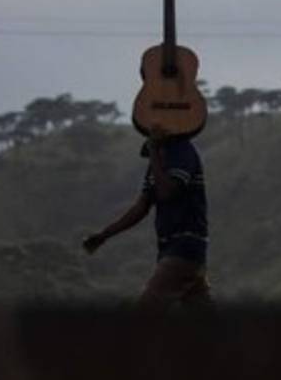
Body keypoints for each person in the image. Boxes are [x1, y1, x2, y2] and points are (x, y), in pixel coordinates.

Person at [83, 125, 212, 308]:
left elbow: (167, 192)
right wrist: (104, 235)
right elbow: (141, 207)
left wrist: (153, 152)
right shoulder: (157, 162)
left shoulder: (182, 151)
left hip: (184, 246)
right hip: (173, 248)